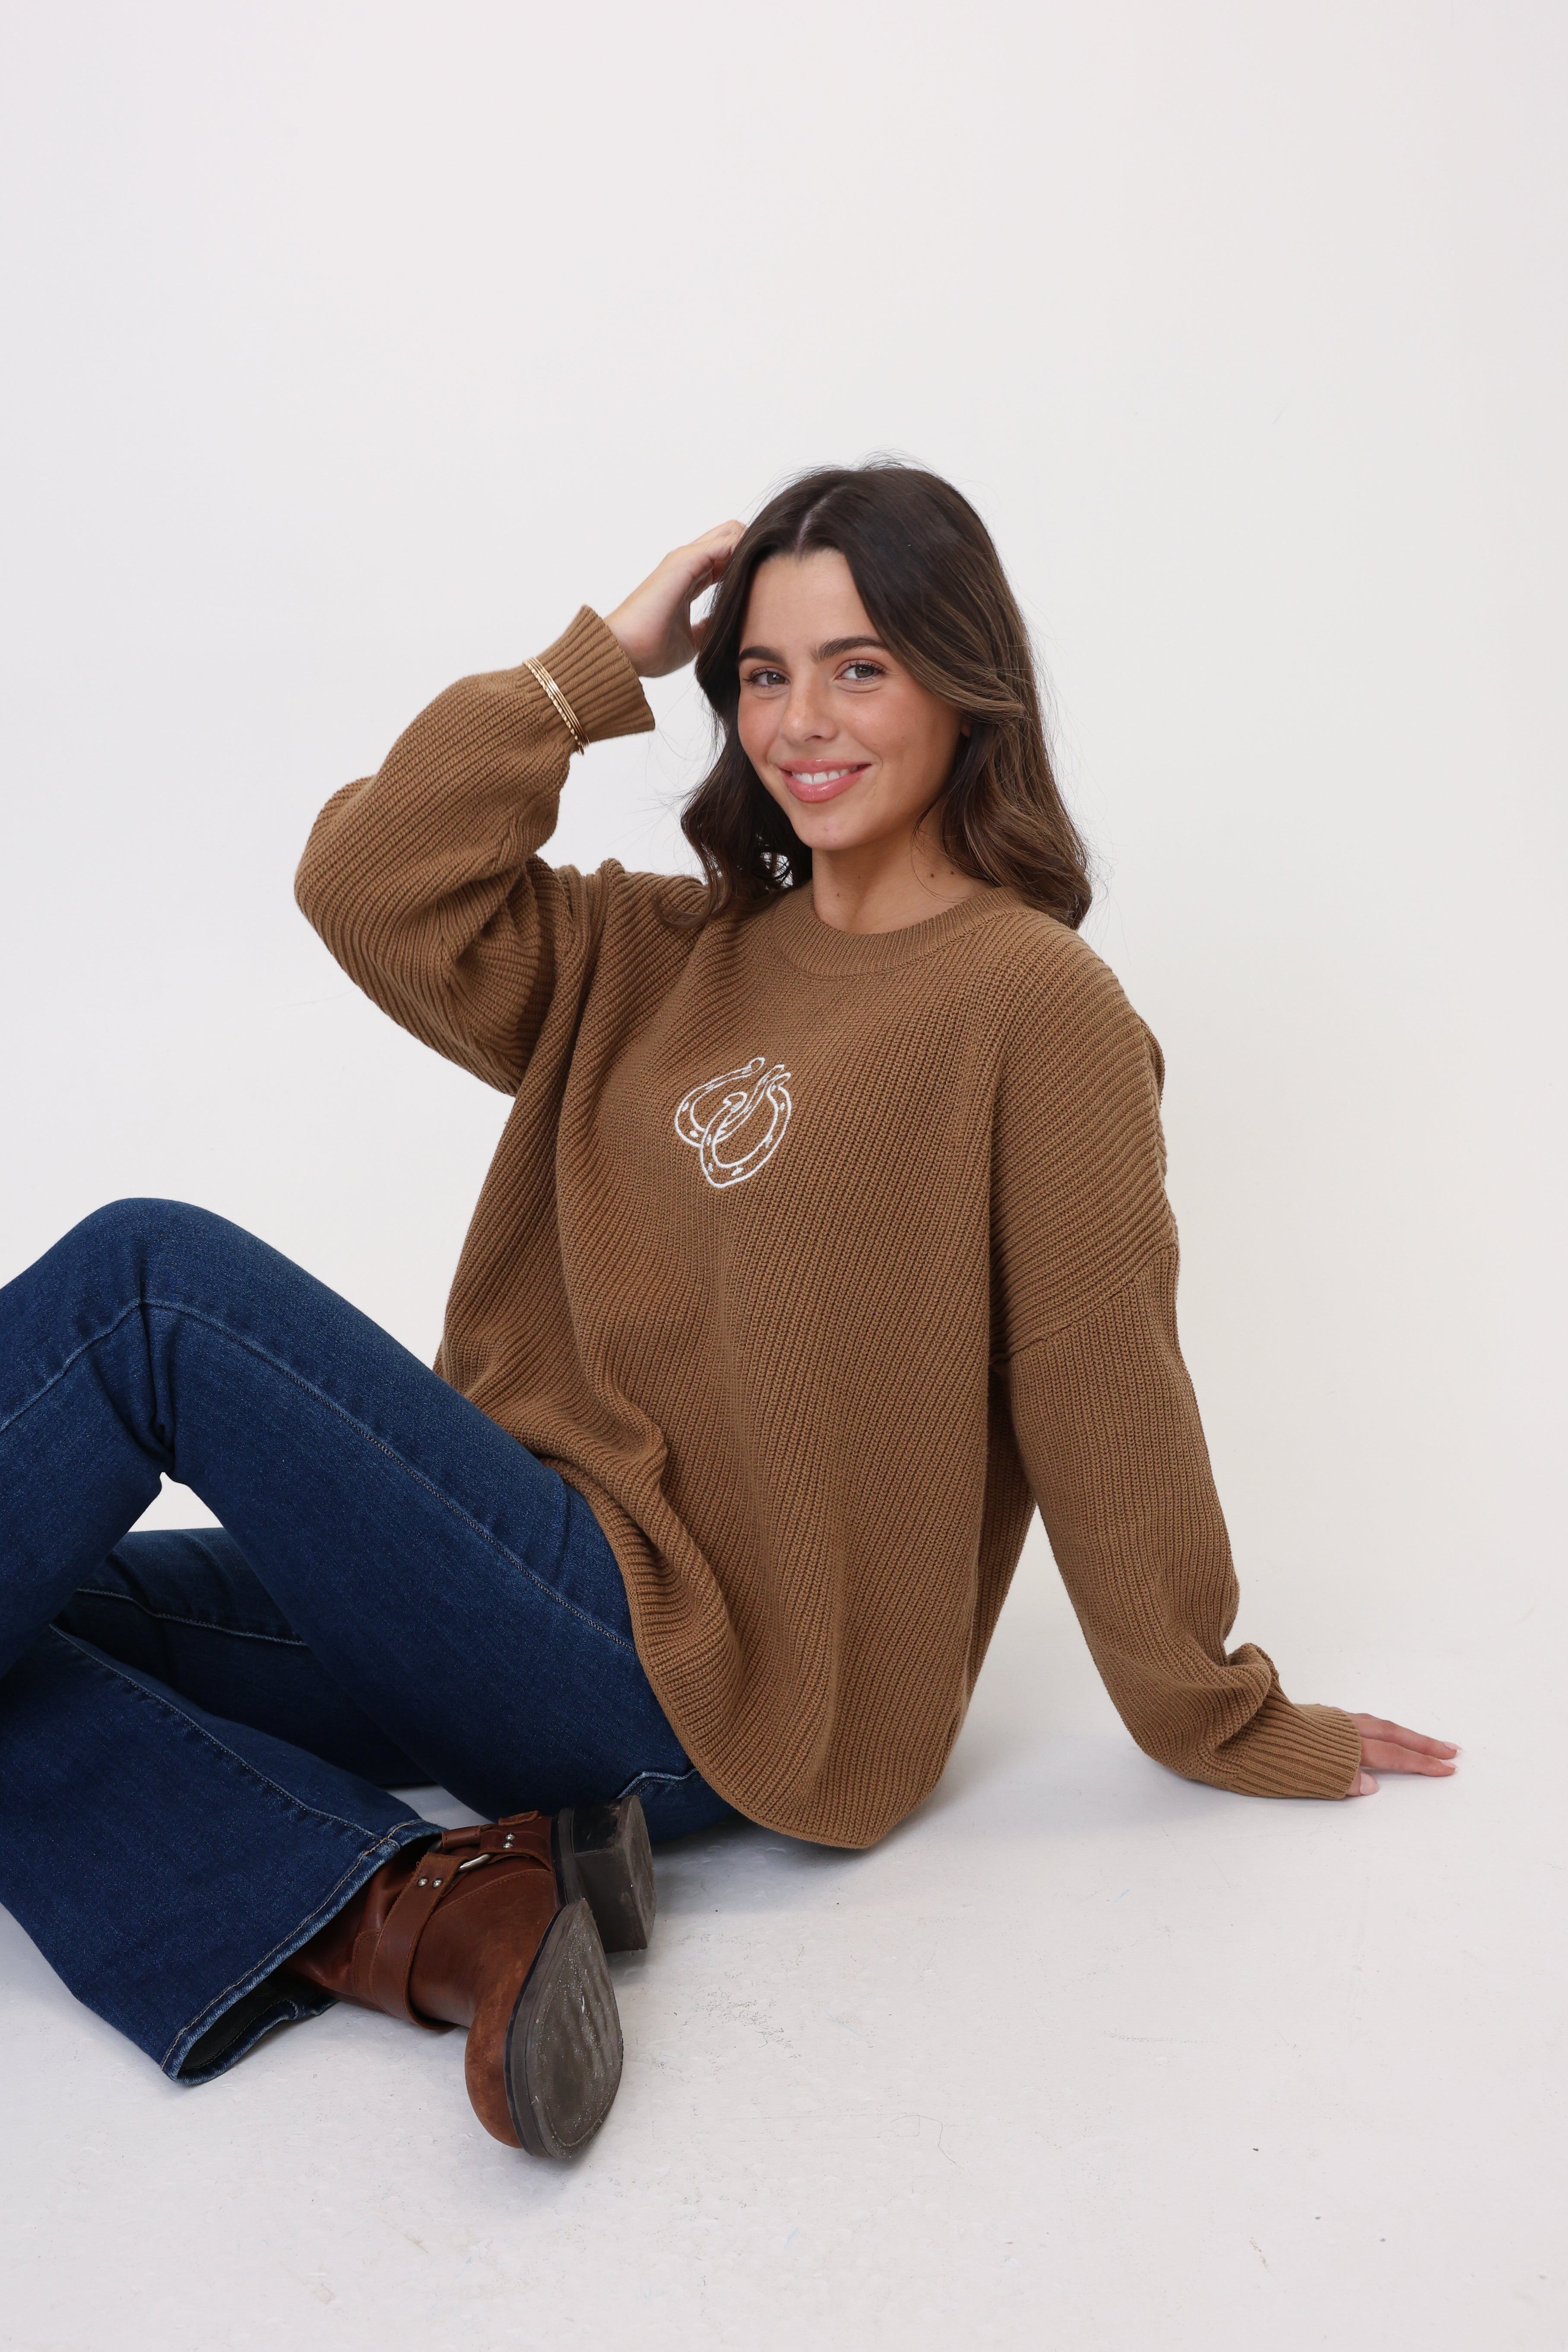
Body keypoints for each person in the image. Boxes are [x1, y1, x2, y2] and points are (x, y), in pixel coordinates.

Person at [0, 462, 1456, 2162]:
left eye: (858, 666)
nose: (801, 720)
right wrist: (582, 675)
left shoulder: (1024, 1002)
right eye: (762, 673)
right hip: (497, 1592)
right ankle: (422, 1902)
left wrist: (1213, 1709)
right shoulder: (658, 951)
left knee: (152, 1284)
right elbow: (366, 887)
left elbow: (1094, 1366)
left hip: (687, 1680)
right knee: (34, 1606)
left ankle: (436, 1880)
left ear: (961, 687)